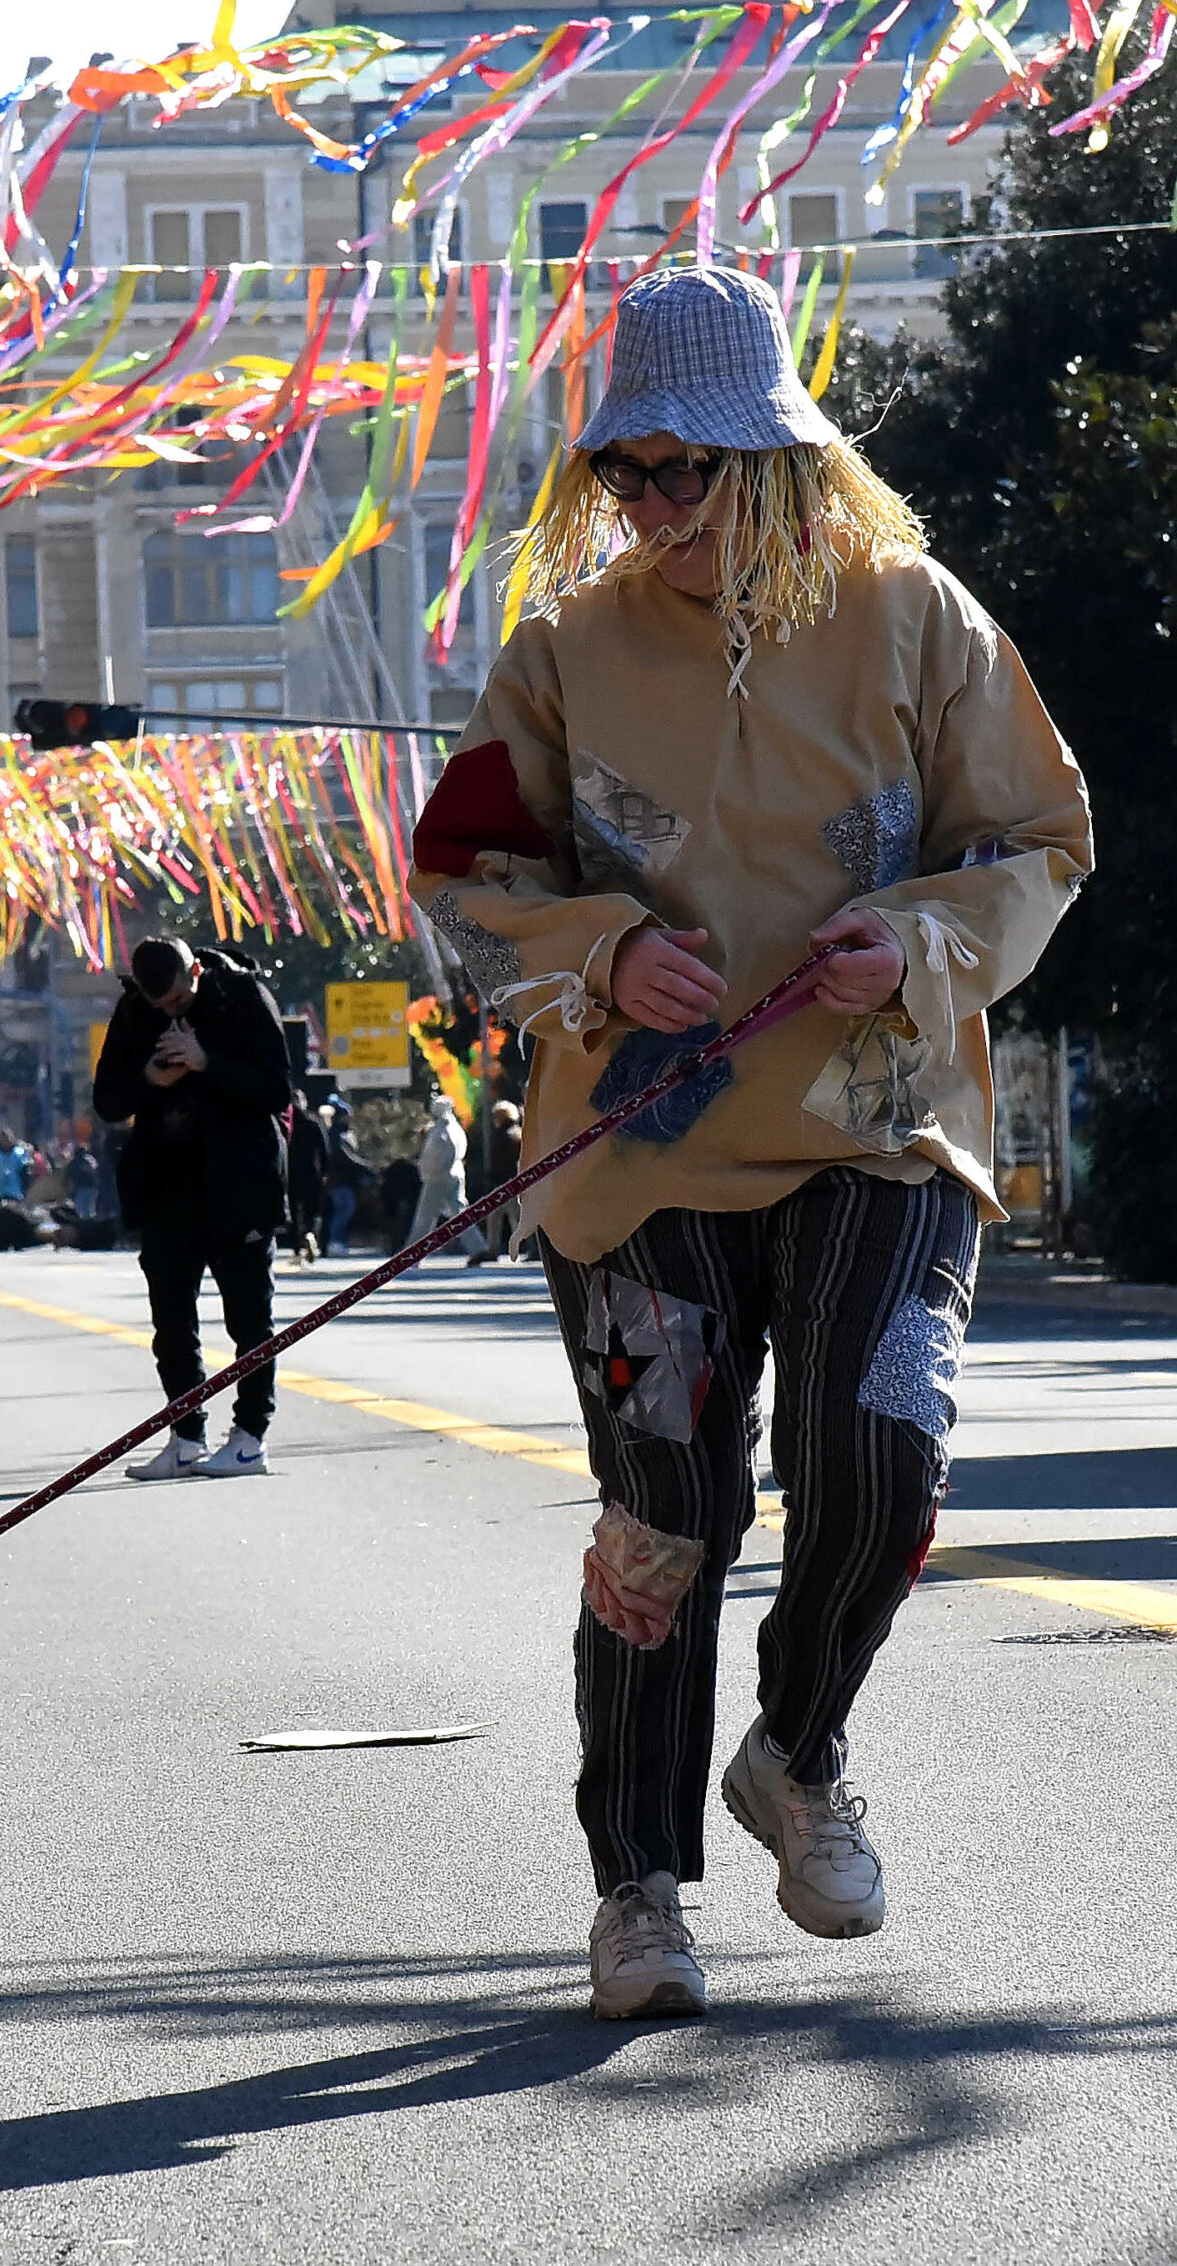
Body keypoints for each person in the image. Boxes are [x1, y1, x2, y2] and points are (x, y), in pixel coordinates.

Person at [406, 264, 1090, 2022]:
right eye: (625, 473)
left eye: (686, 468)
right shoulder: (559, 653)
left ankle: (797, 1745)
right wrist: (603, 951)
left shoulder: (918, 617)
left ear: (781, 463)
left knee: (883, 1457)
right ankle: (636, 1886)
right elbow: (465, 880)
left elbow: (1040, 836)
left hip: (879, 1120)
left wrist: (923, 943)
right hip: (637, 1151)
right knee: (667, 1517)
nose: (653, 504)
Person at [92, 937, 293, 1481]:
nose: (171, 1010)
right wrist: (148, 1080)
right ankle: (186, 1437)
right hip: (166, 1186)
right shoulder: (135, 1009)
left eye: (179, 999)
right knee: (171, 1321)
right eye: (161, 1005)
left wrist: (206, 1063)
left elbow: (277, 1089)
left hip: (238, 1183)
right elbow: (107, 1101)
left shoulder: (242, 995)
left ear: (196, 972)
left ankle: (250, 1436)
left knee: (249, 1319)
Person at [467, 1099, 524, 1266]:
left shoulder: (507, 1135)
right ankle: (499, 1249)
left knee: (510, 1219)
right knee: (505, 1218)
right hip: (507, 1182)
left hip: (506, 1182)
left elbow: (507, 1160)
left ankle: (500, 1249)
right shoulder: (513, 1133)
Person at [410, 1094, 469, 1247]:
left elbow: (437, 1155)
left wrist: (427, 1170)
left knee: (425, 1217)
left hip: (438, 1177)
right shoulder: (455, 1128)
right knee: (460, 1213)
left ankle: (413, 1251)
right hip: (455, 1174)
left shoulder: (443, 1131)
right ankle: (478, 1247)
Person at [319, 1088, 373, 1257]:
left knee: (342, 1211)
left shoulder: (342, 1134)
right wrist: (367, 1167)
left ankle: (337, 1241)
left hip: (343, 1181)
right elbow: (346, 1158)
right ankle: (335, 1242)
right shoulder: (337, 1135)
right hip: (339, 1181)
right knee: (343, 1211)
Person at [285, 1093, 331, 1262]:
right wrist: (325, 1172)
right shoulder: (312, 1122)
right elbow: (324, 1150)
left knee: (293, 1213)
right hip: (311, 1173)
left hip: (289, 1174)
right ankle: (310, 1234)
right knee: (312, 1211)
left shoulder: (285, 1122)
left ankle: (297, 1247)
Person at [0, 1130, 31, 1210]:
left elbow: (25, 1175)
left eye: (8, 1138)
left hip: (16, 1194)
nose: (6, 1141)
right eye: (3, 1138)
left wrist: (26, 1192)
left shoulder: (19, 1154)